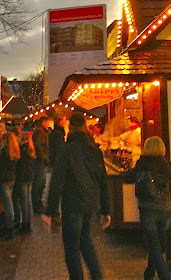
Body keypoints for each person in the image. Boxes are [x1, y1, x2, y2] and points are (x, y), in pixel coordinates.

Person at [43, 114, 111, 280]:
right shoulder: (95, 150)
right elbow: (103, 180)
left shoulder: (66, 151)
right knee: (85, 239)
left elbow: (57, 181)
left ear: (70, 128)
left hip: (72, 203)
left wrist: (51, 210)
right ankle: (97, 275)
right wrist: (106, 210)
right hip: (90, 202)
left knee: (72, 246)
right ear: (85, 127)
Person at [126, 136, 171, 280]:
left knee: (154, 246)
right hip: (165, 208)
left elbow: (128, 177)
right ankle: (148, 274)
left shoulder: (142, 164)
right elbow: (166, 181)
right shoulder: (167, 165)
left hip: (147, 208)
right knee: (158, 245)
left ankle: (164, 277)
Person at [0, 130, 20, 240]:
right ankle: (10, 226)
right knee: (9, 203)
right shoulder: (14, 151)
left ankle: (9, 228)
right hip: (12, 179)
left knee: (7, 205)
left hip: (4, 180)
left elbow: (1, 168)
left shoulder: (4, 151)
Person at [13, 129, 35, 235]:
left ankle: (25, 224)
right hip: (29, 176)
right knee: (28, 200)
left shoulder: (22, 148)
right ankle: (28, 222)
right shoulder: (31, 148)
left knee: (23, 201)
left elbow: (19, 163)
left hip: (22, 177)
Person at [32, 117, 50, 213]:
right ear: (43, 122)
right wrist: (43, 156)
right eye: (47, 122)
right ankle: (37, 205)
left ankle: (38, 203)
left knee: (41, 182)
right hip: (39, 161)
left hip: (41, 160)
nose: (48, 124)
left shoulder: (41, 132)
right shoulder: (40, 132)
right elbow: (38, 145)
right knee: (39, 182)